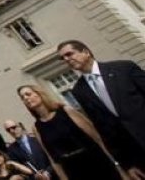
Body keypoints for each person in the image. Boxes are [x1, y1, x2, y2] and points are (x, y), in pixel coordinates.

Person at [58, 39, 145, 179]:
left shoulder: (124, 68)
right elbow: (103, 129)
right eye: (63, 58)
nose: (66, 59)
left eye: (69, 54)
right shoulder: (79, 91)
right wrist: (127, 165)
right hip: (137, 156)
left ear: (85, 52)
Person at [17, 82, 119, 180]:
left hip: (96, 162)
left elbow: (97, 138)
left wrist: (117, 164)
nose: (26, 98)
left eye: (28, 94)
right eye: (22, 98)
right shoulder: (36, 127)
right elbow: (53, 159)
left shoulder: (66, 111)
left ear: (39, 94)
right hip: (73, 170)